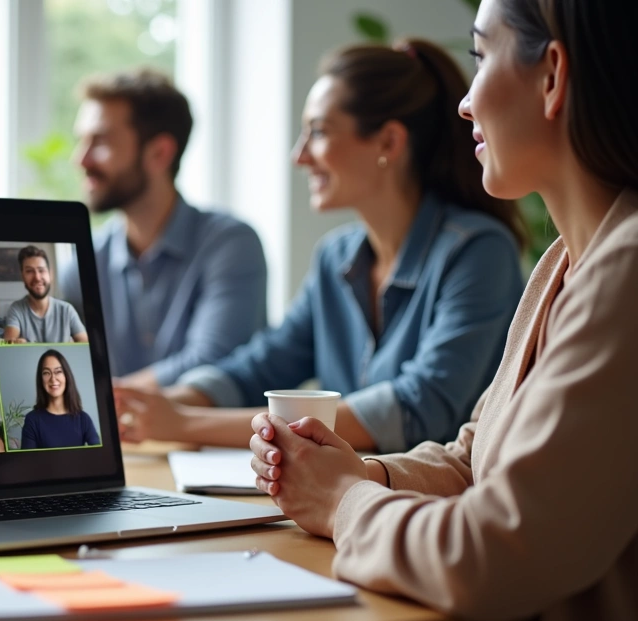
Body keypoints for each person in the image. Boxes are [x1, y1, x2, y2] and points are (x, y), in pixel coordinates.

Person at [248, 0, 638, 621]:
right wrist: (360, 471)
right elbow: (474, 457)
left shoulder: (624, 272)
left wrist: (344, 502)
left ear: (552, 77)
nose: (465, 102)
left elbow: (498, 554)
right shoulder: (565, 263)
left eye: (481, 56)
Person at [116, 38, 527, 454]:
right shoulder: (336, 256)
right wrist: (164, 403)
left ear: (388, 142)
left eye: (318, 132)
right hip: (348, 499)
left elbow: (417, 408)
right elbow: (262, 364)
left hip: (435, 508)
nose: (299, 156)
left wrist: (185, 422)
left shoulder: (479, 252)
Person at [60, 68, 267, 390]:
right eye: (82, 141)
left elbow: (213, 359)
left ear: (159, 153)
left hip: (210, 439)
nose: (80, 159)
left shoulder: (230, 244)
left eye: (99, 141)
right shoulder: (85, 260)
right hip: (123, 440)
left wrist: (105, 399)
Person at [3, 246, 87, 344]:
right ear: (22, 276)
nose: (37, 277)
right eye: (29, 271)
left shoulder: (67, 310)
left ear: (50, 274)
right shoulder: (16, 309)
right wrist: (15, 343)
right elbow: (9, 342)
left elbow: (86, 345)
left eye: (41, 270)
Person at [20, 349, 100, 450]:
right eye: (46, 373)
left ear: (67, 376)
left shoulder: (83, 419)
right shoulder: (32, 420)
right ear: (41, 379)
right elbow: (27, 463)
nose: (53, 379)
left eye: (58, 372)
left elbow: (100, 455)